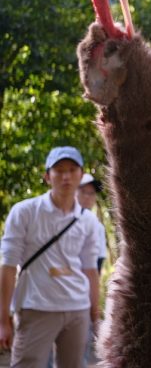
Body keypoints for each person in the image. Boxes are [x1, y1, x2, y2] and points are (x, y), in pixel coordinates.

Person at [0, 146, 100, 368]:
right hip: (36, 307)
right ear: (47, 176)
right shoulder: (24, 212)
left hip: (77, 309)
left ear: (81, 175)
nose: (66, 176)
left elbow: (90, 269)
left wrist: (95, 316)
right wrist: (3, 319)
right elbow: (8, 266)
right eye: (59, 170)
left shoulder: (88, 221)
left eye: (72, 169)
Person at [76, 173, 107, 276]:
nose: (87, 196)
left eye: (92, 193)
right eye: (83, 191)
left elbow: (98, 262)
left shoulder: (98, 227)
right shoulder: (61, 218)